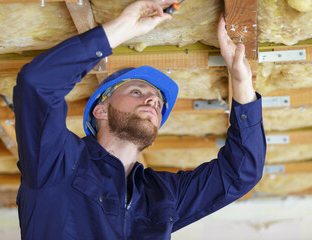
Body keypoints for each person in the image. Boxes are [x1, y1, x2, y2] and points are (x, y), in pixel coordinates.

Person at [13, 1, 266, 239]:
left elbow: (239, 172)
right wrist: (123, 27)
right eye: (137, 91)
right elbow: (37, 85)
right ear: (100, 111)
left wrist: (241, 82)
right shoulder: (58, 161)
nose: (153, 101)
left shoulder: (162, 194)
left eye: (158, 101)